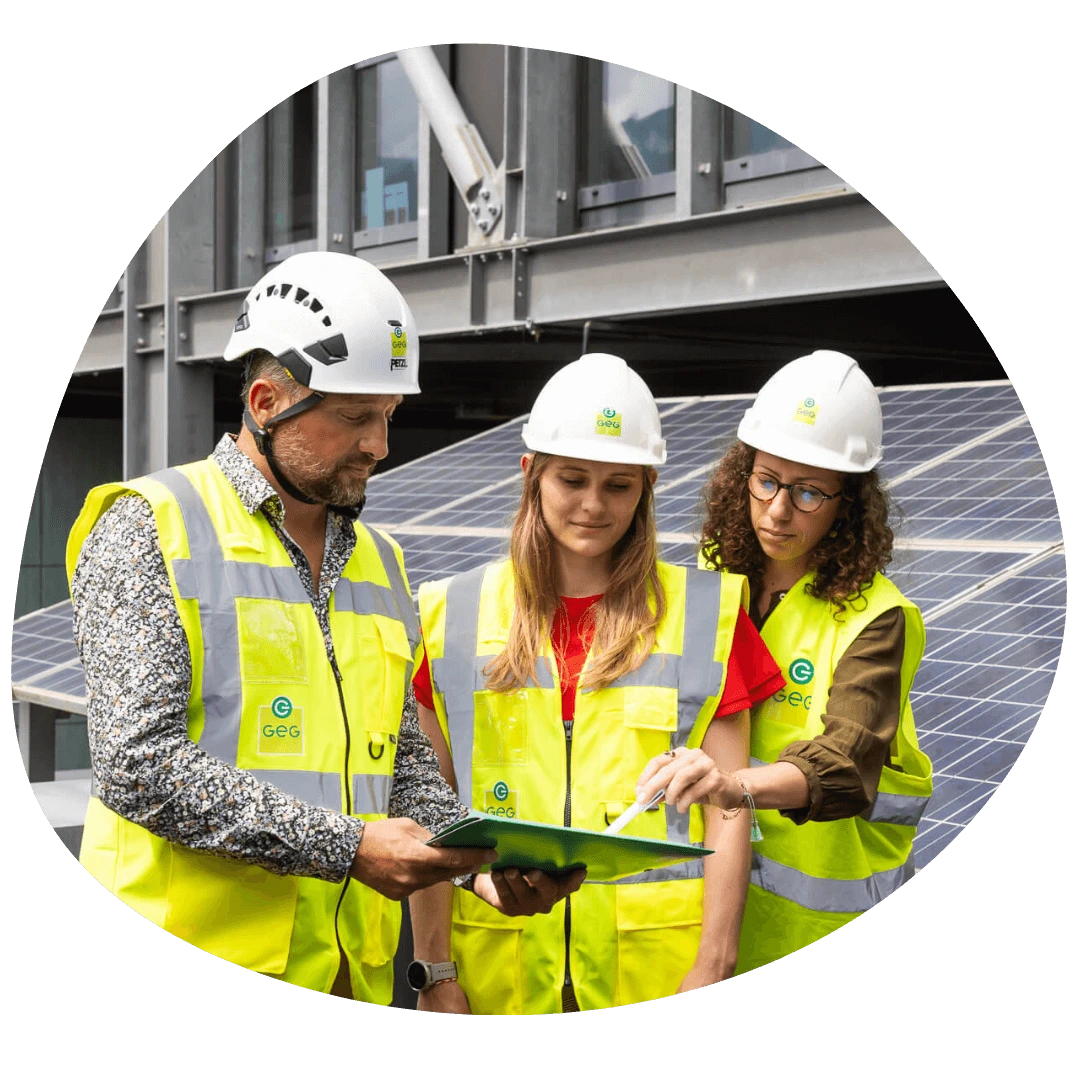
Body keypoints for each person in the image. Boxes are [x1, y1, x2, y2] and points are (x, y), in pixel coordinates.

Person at [66, 252, 581, 1006]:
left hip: (349, 975)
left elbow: (398, 757)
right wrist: (349, 847)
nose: (380, 444)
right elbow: (137, 765)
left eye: (388, 415)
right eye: (354, 417)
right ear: (267, 401)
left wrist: (479, 864)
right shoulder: (149, 527)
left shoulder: (381, 560)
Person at [407, 353, 785, 1015]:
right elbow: (427, 810)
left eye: (618, 485)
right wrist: (436, 972)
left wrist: (713, 967)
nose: (592, 504)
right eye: (572, 479)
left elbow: (729, 809)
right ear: (531, 473)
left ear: (647, 486)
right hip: (498, 973)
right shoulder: (448, 615)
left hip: (656, 971)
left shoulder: (709, 615)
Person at [635, 349, 933, 975]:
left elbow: (845, 763)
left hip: (815, 928)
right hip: (703, 927)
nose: (777, 510)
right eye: (767, 481)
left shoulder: (878, 619)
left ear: (848, 501)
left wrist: (730, 786)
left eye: (808, 493)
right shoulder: (715, 579)